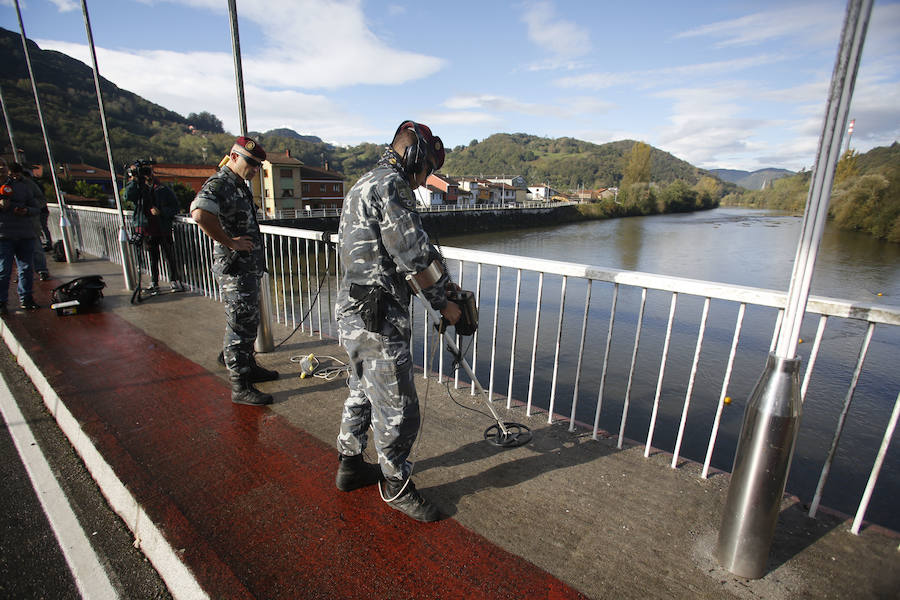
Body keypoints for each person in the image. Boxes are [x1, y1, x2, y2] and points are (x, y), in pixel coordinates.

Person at [334, 120, 460, 522]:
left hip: (353, 311)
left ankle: (350, 466)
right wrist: (447, 305)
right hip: (378, 319)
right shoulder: (392, 186)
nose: (425, 182)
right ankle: (396, 486)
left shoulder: (365, 181)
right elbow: (415, 257)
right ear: (413, 158)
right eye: (425, 171)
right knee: (399, 408)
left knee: (361, 390)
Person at [190, 136, 278, 406]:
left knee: (248, 322)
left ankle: (247, 367)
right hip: (235, 269)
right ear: (234, 157)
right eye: (251, 163)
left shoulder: (239, 185)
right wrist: (230, 242)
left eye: (258, 165)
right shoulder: (221, 183)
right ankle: (240, 386)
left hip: (247, 268)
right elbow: (199, 213)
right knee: (239, 324)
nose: (254, 169)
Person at [124, 163, 186, 293]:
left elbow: (175, 207)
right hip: (148, 230)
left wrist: (161, 212)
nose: (146, 176)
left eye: (147, 172)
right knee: (153, 258)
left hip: (163, 229)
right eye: (144, 173)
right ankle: (154, 282)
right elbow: (127, 197)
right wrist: (134, 179)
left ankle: (174, 281)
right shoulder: (138, 189)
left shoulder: (163, 189)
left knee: (170, 257)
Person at [0, 160, 40, 314]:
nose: (1, 168)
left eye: (3, 165)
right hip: (3, 235)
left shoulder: (22, 186)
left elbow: (36, 207)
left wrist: (27, 210)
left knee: (27, 269)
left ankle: (26, 298)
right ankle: (2, 302)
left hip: (24, 233)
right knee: (4, 270)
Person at [9, 163, 50, 281]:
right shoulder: (5, 185)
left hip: (30, 222)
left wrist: (28, 208)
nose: (15, 177)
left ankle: (42, 270)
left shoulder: (29, 184)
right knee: (17, 252)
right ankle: (22, 273)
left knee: (36, 248)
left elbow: (41, 199)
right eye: (12, 175)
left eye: (17, 174)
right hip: (11, 226)